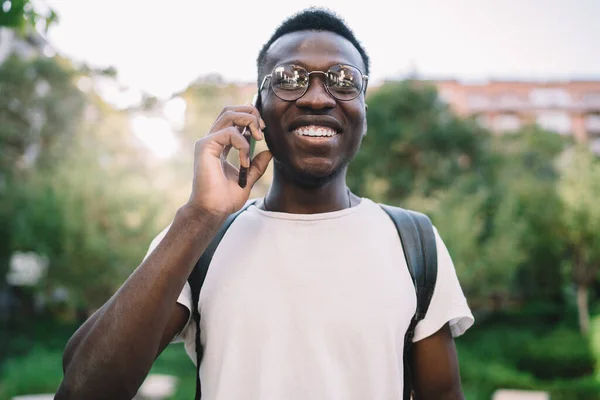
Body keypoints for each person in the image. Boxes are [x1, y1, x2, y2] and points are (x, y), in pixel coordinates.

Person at [57, 8, 473, 400]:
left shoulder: (414, 242)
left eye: (343, 80)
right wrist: (199, 216)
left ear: (363, 112)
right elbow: (82, 389)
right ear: (255, 111)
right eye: (289, 78)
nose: (316, 98)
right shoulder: (201, 237)